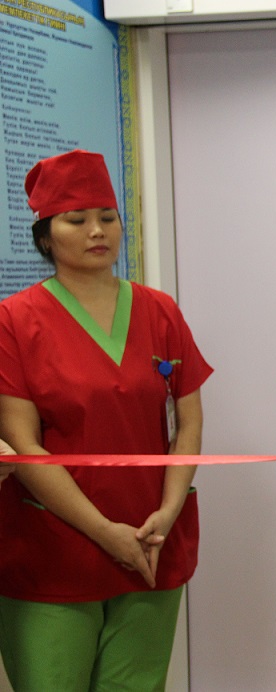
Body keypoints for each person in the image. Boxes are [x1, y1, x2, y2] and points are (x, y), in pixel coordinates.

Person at [0, 149, 212, 691]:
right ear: (45, 236)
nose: (97, 231)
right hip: (54, 549)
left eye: (107, 217)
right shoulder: (15, 321)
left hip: (151, 540)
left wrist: (167, 512)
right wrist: (104, 532)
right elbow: (23, 446)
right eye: (76, 220)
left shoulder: (160, 311)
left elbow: (187, 423)